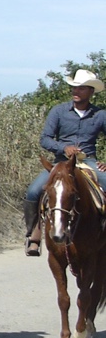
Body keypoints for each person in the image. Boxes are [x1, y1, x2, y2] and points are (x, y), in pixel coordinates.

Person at [22, 69, 106, 256]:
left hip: (88, 162)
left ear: (91, 91)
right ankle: (33, 235)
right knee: (33, 191)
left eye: (81, 88)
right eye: (74, 87)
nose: (76, 91)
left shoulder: (100, 115)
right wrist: (63, 148)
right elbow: (45, 139)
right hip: (61, 163)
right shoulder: (58, 111)